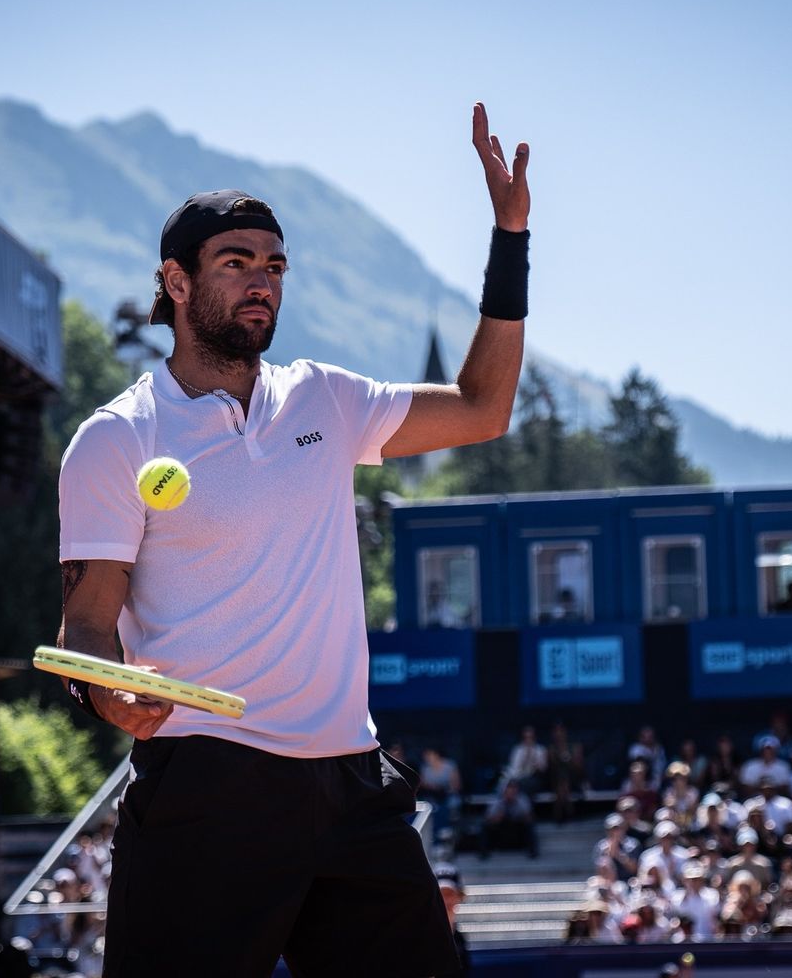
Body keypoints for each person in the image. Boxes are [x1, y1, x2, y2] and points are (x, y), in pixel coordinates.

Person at [56, 103, 531, 976]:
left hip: (353, 782)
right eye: (235, 263)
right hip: (207, 786)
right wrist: (105, 694)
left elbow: (482, 408)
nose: (262, 282)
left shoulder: (326, 398)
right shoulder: (118, 439)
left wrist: (510, 241)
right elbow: (84, 627)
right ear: (175, 282)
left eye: (274, 265)